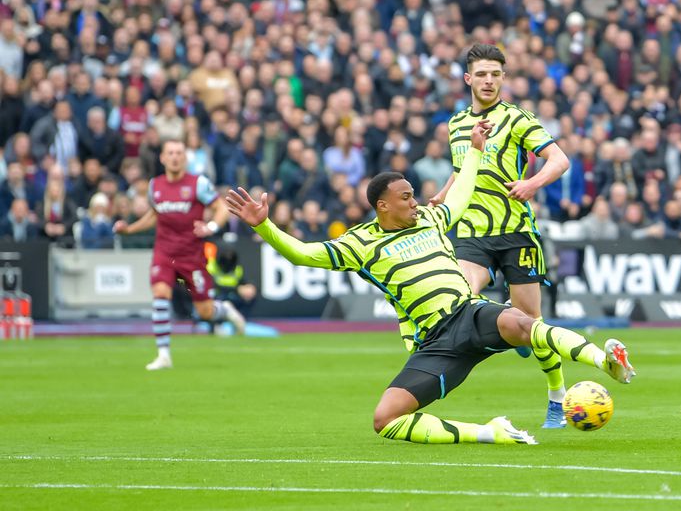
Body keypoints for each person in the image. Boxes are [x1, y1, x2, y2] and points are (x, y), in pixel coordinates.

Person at [225, 119, 635, 446]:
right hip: (436, 343)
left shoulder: (433, 219)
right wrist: (266, 228)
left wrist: (474, 151)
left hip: (468, 313)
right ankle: (490, 432)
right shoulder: (360, 243)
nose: (415, 200)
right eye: (406, 197)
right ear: (382, 205)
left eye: (414, 193)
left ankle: (605, 362)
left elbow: (462, 193)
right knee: (384, 420)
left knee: (521, 321)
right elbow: (304, 254)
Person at [430, 44, 572, 428]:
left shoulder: (517, 119)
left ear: (503, 78)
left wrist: (532, 183)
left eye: (495, 74)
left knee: (535, 325)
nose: (489, 80)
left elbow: (560, 160)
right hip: (472, 232)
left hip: (515, 233)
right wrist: (443, 195)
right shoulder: (456, 124)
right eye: (482, 74)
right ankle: (500, 330)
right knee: (460, 297)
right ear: (468, 79)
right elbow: (462, 168)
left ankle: (557, 396)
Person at [115, 139, 245, 370]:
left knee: (204, 311)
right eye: (170, 153)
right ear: (163, 158)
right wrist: (130, 228)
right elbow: (156, 215)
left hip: (191, 255)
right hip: (164, 252)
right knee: (160, 293)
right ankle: (163, 354)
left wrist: (211, 227)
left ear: (185, 158)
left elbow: (222, 208)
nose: (175, 157)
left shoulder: (198, 184)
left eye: (179, 153)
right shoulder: (155, 186)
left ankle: (224, 310)